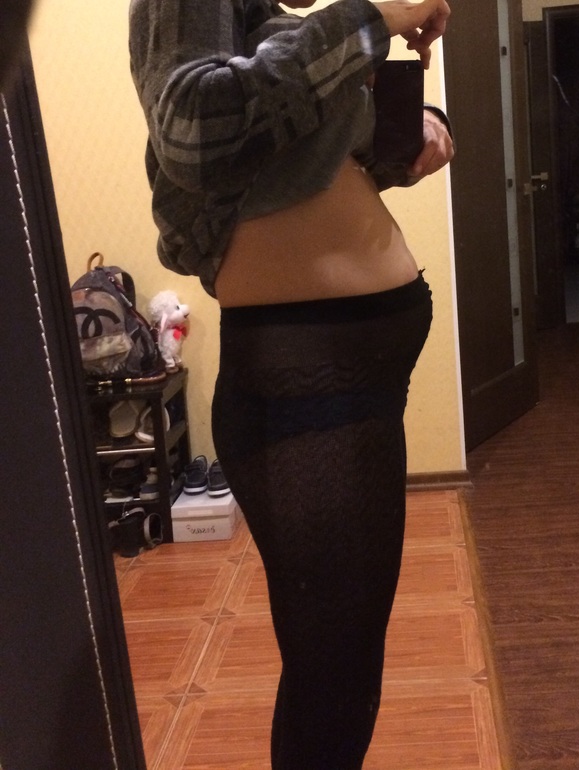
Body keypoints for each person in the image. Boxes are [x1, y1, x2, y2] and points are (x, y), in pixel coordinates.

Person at [128, 0, 453, 766]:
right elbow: (193, 127)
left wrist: (409, 129)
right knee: (333, 681)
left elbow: (305, 164)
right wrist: (372, 18)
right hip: (306, 378)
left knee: (339, 667)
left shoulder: (270, 17)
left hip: (347, 375)